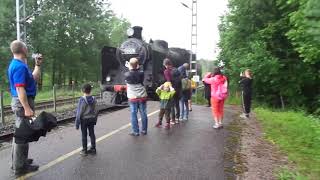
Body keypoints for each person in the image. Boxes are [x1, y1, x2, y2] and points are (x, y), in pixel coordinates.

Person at [8, 40, 42, 175]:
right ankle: (19, 168)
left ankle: (19, 161)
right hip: (22, 103)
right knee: (22, 136)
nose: (28, 50)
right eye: (26, 48)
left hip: (22, 102)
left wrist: (37, 65)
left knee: (21, 134)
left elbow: (33, 78)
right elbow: (20, 89)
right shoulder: (19, 67)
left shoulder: (20, 65)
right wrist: (27, 108)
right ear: (23, 50)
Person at [125, 58, 148, 136]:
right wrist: (134, 66)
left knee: (133, 114)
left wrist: (129, 67)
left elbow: (131, 73)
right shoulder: (142, 73)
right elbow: (137, 72)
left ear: (130, 65)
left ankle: (136, 131)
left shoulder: (126, 74)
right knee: (143, 113)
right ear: (138, 65)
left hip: (133, 98)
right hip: (142, 96)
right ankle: (144, 130)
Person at [75, 84, 98, 156]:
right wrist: (95, 119)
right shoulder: (94, 99)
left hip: (84, 120)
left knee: (84, 135)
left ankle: (84, 150)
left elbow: (79, 112)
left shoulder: (82, 100)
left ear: (82, 90)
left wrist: (77, 123)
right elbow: (96, 110)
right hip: (91, 119)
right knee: (92, 134)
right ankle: (93, 149)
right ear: (90, 90)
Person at [163, 58, 181, 124]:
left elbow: (168, 81)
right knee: (177, 104)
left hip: (172, 89)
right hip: (178, 89)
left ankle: (172, 120)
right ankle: (177, 118)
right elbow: (180, 81)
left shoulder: (166, 71)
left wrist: (168, 89)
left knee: (172, 105)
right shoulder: (176, 70)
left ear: (166, 65)